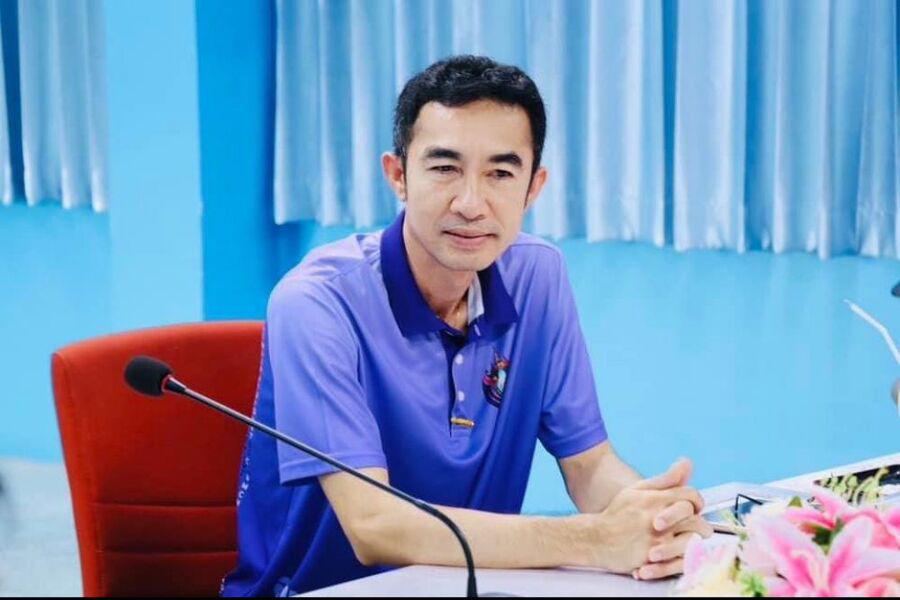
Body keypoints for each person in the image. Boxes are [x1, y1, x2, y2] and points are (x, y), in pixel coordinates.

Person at [221, 55, 712, 597]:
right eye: (444, 168)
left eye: (501, 173)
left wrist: (656, 525)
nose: (472, 204)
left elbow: (589, 465)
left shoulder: (537, 276)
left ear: (534, 187)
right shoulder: (315, 302)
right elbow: (373, 525)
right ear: (398, 176)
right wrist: (594, 539)